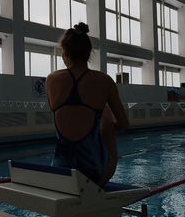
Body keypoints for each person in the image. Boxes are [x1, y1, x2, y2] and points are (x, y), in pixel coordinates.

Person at [46, 22, 129, 187]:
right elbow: (124, 125)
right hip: (94, 173)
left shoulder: (51, 80)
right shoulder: (104, 81)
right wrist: (105, 129)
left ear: (66, 53)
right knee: (104, 113)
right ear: (89, 52)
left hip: (61, 172)